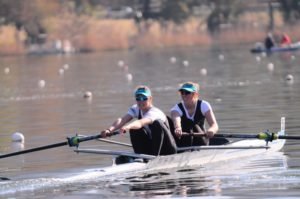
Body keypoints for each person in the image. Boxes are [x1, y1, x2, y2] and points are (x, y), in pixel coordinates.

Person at [101, 85, 177, 156]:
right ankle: (140, 155)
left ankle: (154, 157)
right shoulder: (136, 108)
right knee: (134, 129)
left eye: (144, 98)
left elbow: (140, 122)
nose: (141, 101)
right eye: (138, 98)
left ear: (150, 99)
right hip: (153, 146)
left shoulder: (155, 112)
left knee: (156, 123)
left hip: (168, 149)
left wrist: (127, 127)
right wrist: (109, 130)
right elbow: (122, 120)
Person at [170, 82, 219, 147]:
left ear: (195, 94)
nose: (184, 95)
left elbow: (214, 125)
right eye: (182, 92)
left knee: (194, 126)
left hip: (201, 141)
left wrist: (211, 130)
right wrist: (178, 128)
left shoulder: (204, 105)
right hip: (184, 142)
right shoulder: (176, 109)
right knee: (188, 122)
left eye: (187, 92)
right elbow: (176, 119)